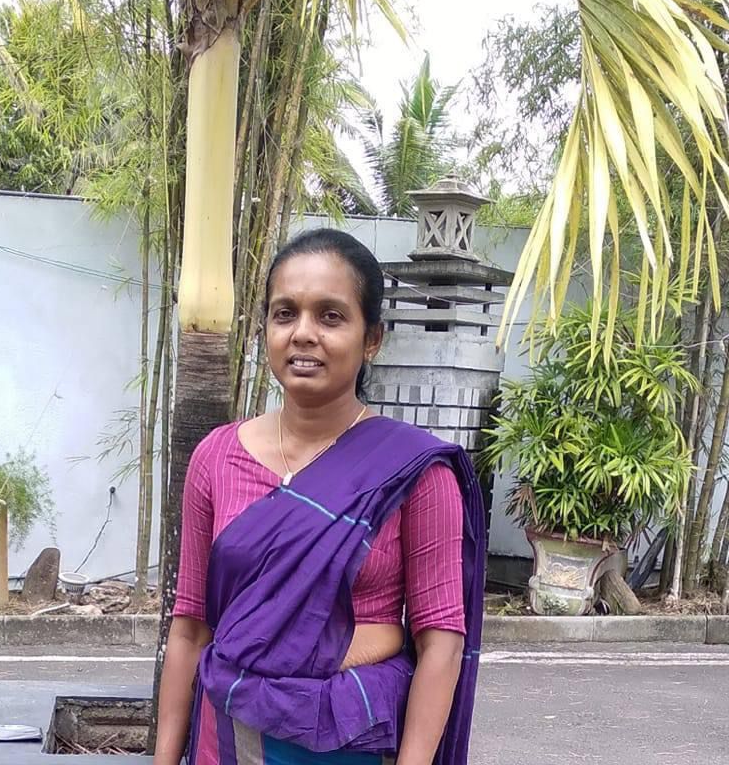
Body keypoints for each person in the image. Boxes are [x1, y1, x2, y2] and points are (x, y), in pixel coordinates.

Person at [154, 228, 485, 765]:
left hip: (350, 741)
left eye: (330, 316)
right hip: (230, 740)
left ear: (371, 338)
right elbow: (190, 630)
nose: (303, 333)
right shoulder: (216, 457)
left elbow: (440, 644)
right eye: (285, 314)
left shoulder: (412, 471)